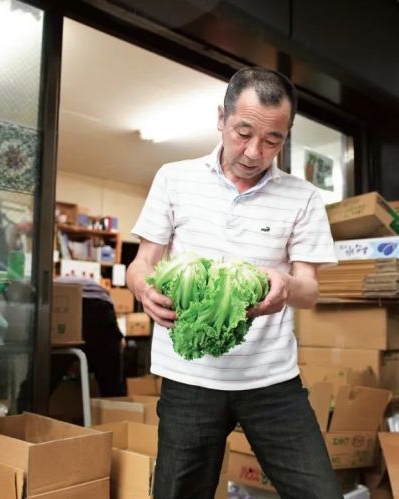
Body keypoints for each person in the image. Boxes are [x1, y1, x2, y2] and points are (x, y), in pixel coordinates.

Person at [126, 67, 340, 499]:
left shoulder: (304, 197)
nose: (254, 151)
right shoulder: (174, 178)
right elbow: (141, 263)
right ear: (221, 119)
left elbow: (310, 289)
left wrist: (283, 286)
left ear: (286, 135)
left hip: (270, 379)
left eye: (272, 140)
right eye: (243, 132)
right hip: (189, 377)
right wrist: (144, 290)